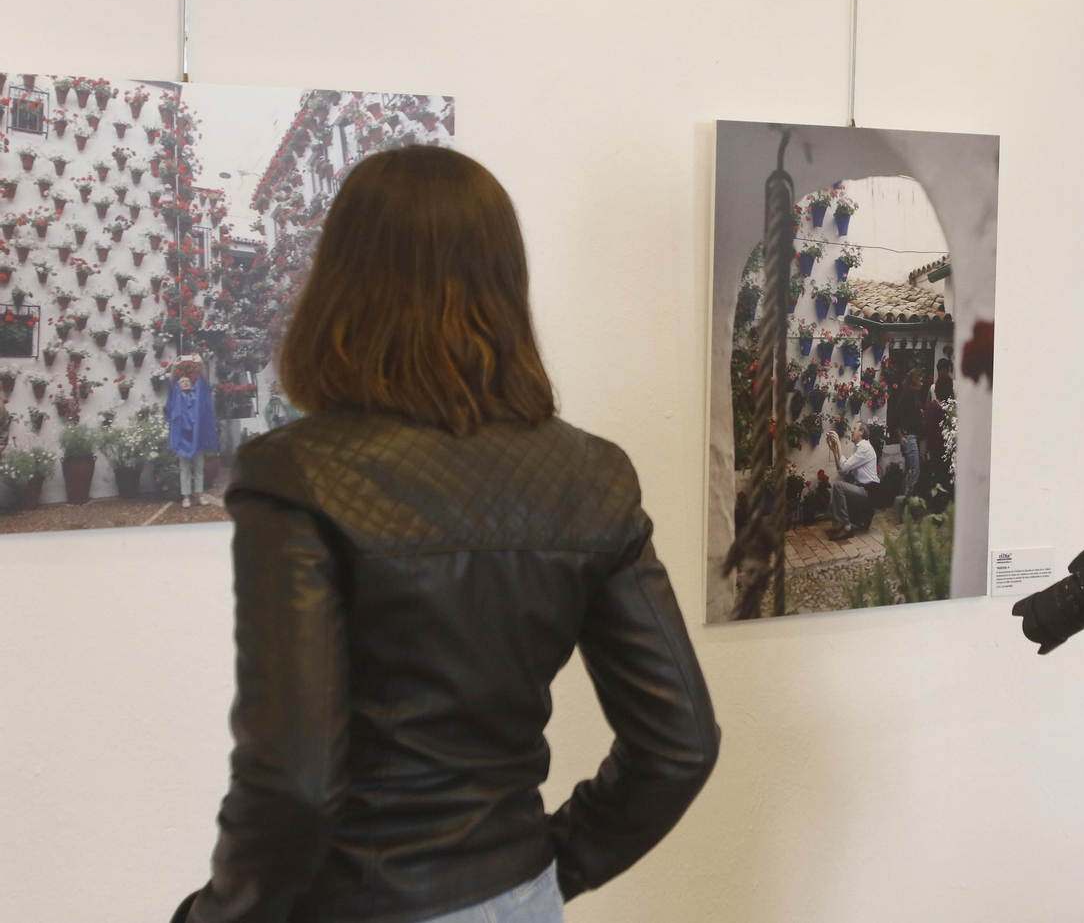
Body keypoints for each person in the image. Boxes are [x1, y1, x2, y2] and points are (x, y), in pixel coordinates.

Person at [171, 146, 718, 923]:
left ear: (341, 283)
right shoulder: (593, 476)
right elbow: (681, 744)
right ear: (506, 284)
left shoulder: (295, 473)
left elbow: (294, 785)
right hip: (519, 898)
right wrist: (549, 871)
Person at [165, 367, 218, 509]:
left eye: (187, 381)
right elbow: (171, 382)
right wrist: (174, 367)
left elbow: (204, 380)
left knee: (199, 468)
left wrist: (200, 363)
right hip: (183, 438)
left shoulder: (198, 397)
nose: (185, 382)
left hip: (197, 438)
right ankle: (186, 497)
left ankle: (200, 495)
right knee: (185, 469)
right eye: (182, 381)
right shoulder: (176, 397)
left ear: (192, 384)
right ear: (179, 385)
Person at [824, 420, 879, 542]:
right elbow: (842, 471)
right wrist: (835, 451)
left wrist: (839, 444)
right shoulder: (859, 448)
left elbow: (843, 467)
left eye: (854, 429)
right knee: (837, 493)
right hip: (863, 489)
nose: (851, 431)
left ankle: (847, 528)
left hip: (869, 492)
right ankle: (841, 526)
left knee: (838, 486)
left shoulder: (864, 447)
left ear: (861, 432)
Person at [888, 368, 926, 497]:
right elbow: (896, 419)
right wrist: (901, 437)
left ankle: (902, 501)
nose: (922, 384)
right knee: (914, 472)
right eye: (920, 381)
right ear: (914, 381)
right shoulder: (908, 396)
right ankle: (906, 502)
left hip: (911, 436)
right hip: (909, 437)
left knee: (909, 472)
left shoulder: (912, 395)